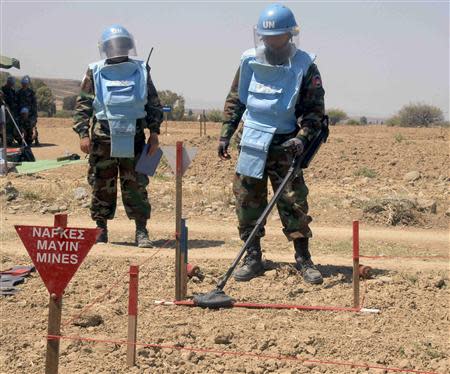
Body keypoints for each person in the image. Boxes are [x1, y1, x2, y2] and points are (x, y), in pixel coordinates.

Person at [218, 4, 326, 284]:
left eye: (277, 36)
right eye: (267, 37)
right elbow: (236, 100)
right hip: (251, 139)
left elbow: (314, 112)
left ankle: (303, 259)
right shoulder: (248, 61)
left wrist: (302, 139)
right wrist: (225, 134)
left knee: (294, 202)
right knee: (247, 200)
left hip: (286, 144)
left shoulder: (305, 65)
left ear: (289, 35)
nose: (271, 42)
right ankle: (253, 257)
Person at [73, 24, 163, 247]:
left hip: (135, 137)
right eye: (113, 45)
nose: (117, 49)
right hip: (103, 137)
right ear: (105, 48)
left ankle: (141, 231)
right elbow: (83, 104)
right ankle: (101, 230)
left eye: (121, 44)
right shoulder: (94, 70)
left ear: (128, 46)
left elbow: (153, 103)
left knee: (137, 185)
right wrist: (83, 133)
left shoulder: (142, 69)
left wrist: (154, 133)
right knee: (101, 183)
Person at [17, 75, 39, 146]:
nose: (24, 85)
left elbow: (34, 105)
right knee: (19, 127)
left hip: (30, 115)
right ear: (21, 84)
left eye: (25, 83)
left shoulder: (31, 93)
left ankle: (33, 139)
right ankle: (21, 139)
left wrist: (34, 116)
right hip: (20, 114)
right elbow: (16, 104)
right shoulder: (18, 93)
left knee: (31, 126)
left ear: (27, 84)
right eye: (23, 83)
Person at [1, 76, 19, 145]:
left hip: (12, 111)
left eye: (12, 83)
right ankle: (5, 140)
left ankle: (9, 140)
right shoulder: (2, 89)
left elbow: (15, 100)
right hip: (5, 111)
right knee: (5, 125)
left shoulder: (12, 91)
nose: (11, 84)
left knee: (11, 126)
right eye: (11, 82)